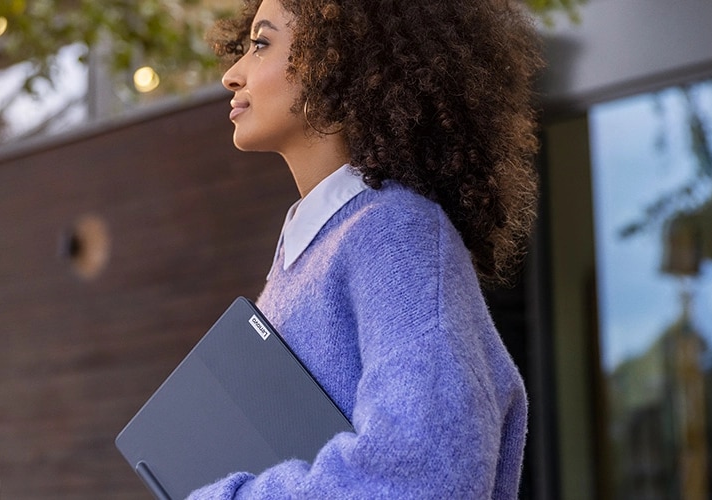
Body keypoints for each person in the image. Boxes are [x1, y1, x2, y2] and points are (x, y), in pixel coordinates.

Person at [194, 0, 542, 496]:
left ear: (335, 59)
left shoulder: (394, 234)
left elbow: (428, 472)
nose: (232, 74)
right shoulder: (313, 246)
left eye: (261, 43)